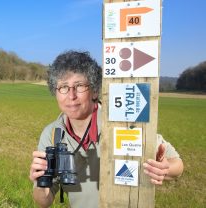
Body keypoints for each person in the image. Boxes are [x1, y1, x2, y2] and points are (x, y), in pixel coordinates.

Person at [29, 50, 184, 208]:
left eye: (79, 86)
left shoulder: (120, 122)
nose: (71, 95)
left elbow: (177, 164)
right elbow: (44, 201)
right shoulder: (53, 134)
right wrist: (40, 181)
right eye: (63, 87)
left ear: (95, 90)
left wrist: (164, 168)